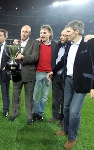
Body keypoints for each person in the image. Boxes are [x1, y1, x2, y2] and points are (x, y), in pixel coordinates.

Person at [47, 20, 94, 149]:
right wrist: (53, 71)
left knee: (73, 112)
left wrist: (93, 86)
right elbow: (62, 61)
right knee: (66, 108)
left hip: (81, 83)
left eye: (68, 31)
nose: (66, 34)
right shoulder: (69, 45)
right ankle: (66, 129)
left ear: (76, 31)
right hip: (67, 80)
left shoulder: (88, 44)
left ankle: (72, 138)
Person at [8, 25, 40, 125]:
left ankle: (30, 116)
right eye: (22, 31)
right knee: (15, 95)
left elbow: (35, 57)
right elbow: (12, 56)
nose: (24, 33)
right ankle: (14, 113)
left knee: (29, 97)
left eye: (26, 32)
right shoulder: (16, 43)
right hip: (17, 74)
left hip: (29, 74)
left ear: (29, 33)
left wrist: (23, 57)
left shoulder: (34, 43)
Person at [33, 25, 57, 122]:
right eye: (41, 33)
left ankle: (40, 113)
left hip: (49, 74)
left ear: (49, 34)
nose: (42, 34)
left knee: (44, 97)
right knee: (34, 96)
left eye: (44, 33)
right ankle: (34, 112)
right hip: (38, 72)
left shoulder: (55, 45)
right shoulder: (37, 43)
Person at [49, 29, 69, 126]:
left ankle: (62, 119)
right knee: (55, 98)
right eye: (61, 35)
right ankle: (55, 115)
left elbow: (62, 62)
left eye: (64, 35)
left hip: (65, 77)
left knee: (65, 99)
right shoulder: (58, 46)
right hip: (56, 76)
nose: (61, 37)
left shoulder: (70, 48)